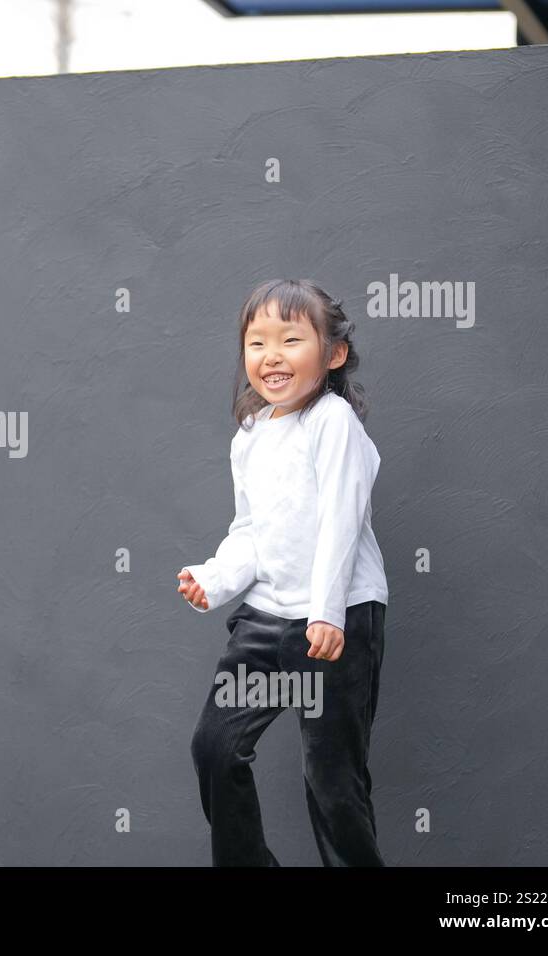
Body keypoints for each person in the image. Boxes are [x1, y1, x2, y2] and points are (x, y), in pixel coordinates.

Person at [176, 278, 389, 866]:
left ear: (333, 353)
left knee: (332, 780)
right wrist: (213, 579)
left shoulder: (333, 421)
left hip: (336, 621)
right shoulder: (251, 435)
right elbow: (252, 531)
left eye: (291, 339)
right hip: (266, 621)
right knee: (216, 748)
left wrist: (328, 613)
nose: (270, 356)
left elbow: (339, 524)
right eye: (257, 342)